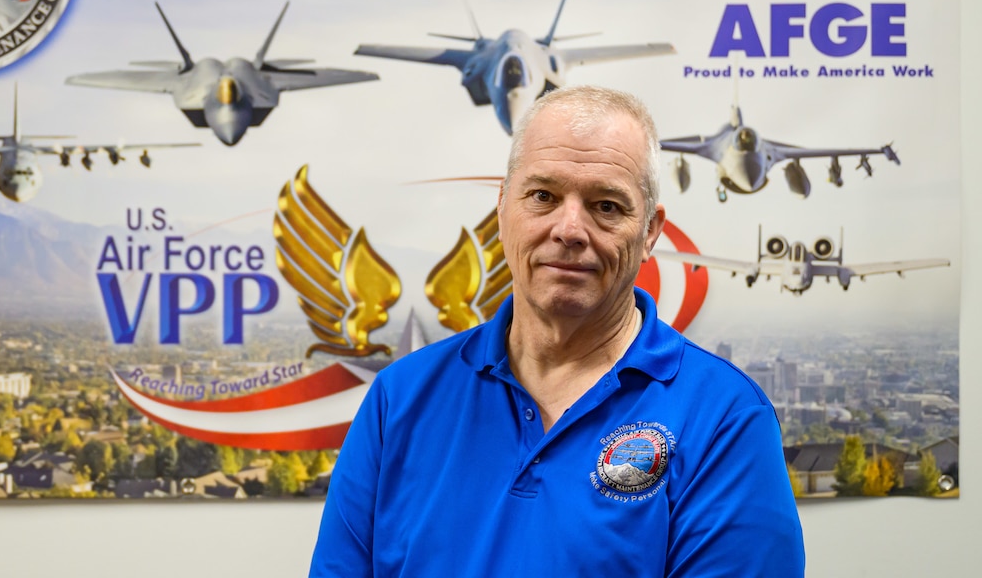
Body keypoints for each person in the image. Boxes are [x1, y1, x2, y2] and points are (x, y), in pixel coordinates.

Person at [309, 85, 805, 577]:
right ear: (503, 209)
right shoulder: (399, 399)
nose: (569, 229)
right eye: (543, 196)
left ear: (650, 231)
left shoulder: (725, 420)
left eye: (606, 206)